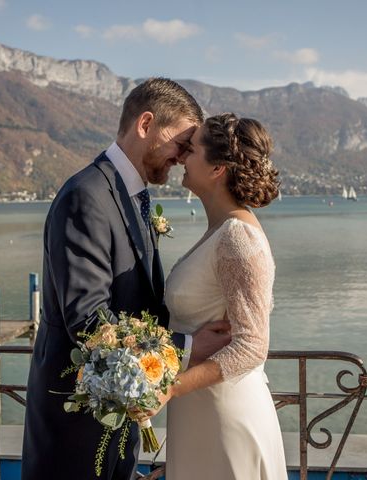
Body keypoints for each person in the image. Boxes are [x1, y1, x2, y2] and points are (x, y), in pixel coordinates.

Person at [21, 78, 231, 480]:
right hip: (76, 433)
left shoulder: (131, 196)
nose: (184, 156)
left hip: (118, 418)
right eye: (182, 142)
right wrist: (188, 346)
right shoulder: (86, 196)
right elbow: (88, 320)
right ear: (146, 124)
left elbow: (140, 303)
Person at [142, 113, 288, 479]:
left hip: (226, 417)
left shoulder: (239, 238)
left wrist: (169, 389)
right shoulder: (220, 231)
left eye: (191, 149)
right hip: (200, 414)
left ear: (217, 168)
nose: (181, 157)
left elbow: (252, 346)